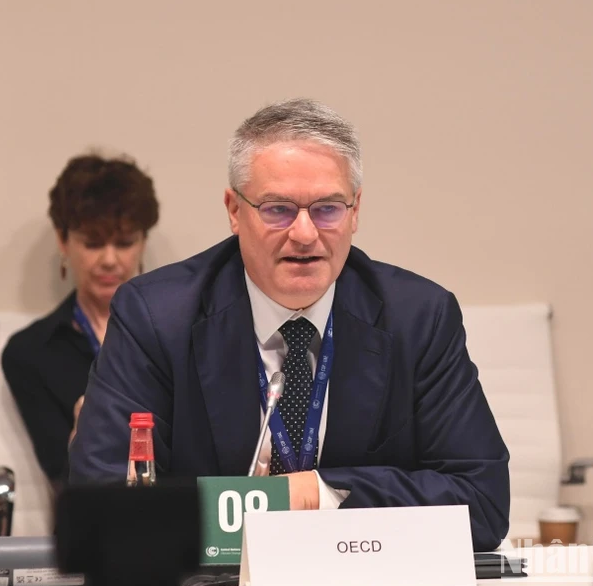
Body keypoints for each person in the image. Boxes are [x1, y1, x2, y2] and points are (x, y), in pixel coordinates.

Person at [69, 99, 510, 550]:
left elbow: (482, 503)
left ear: (355, 211)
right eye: (277, 209)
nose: (304, 233)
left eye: (327, 208)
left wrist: (315, 494)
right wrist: (259, 513)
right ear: (234, 211)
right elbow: (102, 505)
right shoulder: (157, 318)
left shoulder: (418, 319)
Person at [1, 152, 159, 492]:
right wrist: (82, 436)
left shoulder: (177, 333)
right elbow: (60, 475)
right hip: (90, 516)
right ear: (63, 241)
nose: (109, 260)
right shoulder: (30, 352)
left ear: (143, 243)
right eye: (93, 243)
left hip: (176, 514)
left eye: (124, 243)